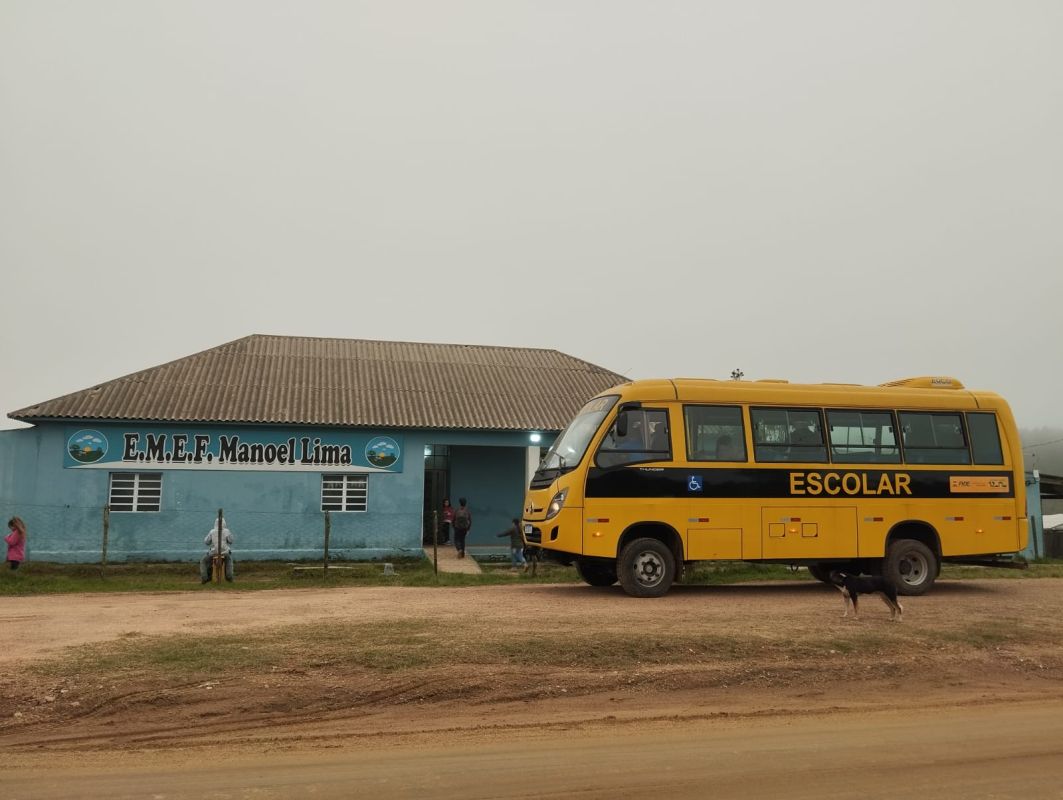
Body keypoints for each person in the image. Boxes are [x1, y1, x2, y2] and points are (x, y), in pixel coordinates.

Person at [200, 517, 234, 583]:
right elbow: (231, 541)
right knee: (229, 560)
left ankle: (205, 578)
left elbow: (206, 542)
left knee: (204, 561)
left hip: (214, 552)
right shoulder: (227, 531)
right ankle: (229, 577)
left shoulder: (212, 531)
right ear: (224, 523)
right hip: (225, 552)